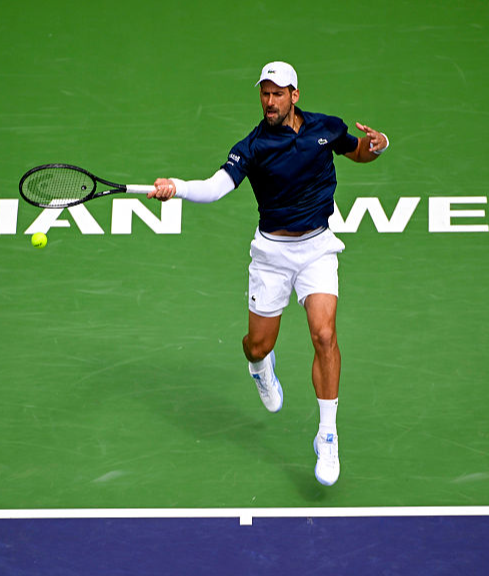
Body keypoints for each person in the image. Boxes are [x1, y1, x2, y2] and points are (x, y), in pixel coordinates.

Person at [148, 61, 389, 486]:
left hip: (317, 248)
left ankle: (327, 434)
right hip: (272, 256)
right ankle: (260, 367)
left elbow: (358, 152)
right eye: (264, 93)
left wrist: (379, 145)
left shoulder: (326, 127)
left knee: (324, 335)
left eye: (278, 93)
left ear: (295, 95)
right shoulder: (252, 147)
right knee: (257, 345)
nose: (269, 101)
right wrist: (179, 187)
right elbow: (217, 186)